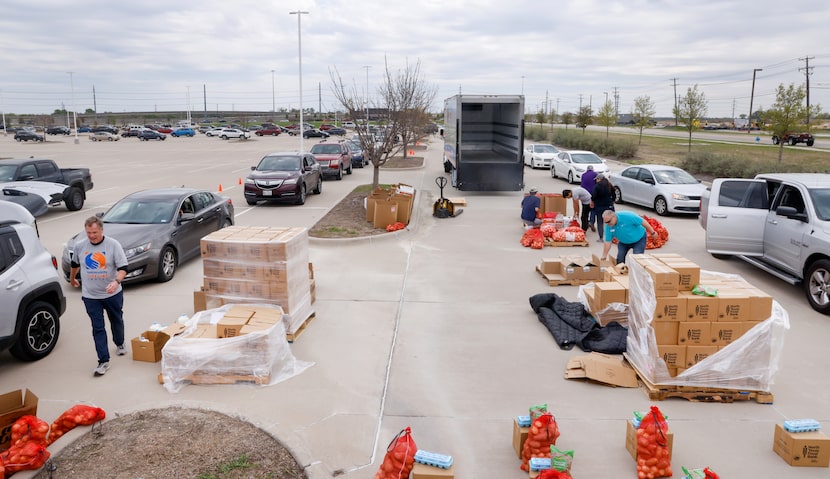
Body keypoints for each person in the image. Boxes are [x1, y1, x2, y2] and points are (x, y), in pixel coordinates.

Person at [69, 216, 129, 376]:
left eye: (94, 232)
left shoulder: (113, 245)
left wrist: (116, 281)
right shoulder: (80, 246)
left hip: (112, 293)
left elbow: (123, 267)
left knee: (116, 319)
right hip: (90, 295)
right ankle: (103, 361)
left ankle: (120, 342)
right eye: (88, 232)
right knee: (97, 327)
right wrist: (72, 278)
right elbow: (74, 264)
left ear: (101, 230)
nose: (92, 236)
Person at [591, 175, 615, 240]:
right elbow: (614, 194)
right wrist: (612, 201)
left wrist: (592, 201)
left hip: (599, 206)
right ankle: (612, 236)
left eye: (596, 179)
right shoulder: (609, 185)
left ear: (599, 179)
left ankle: (601, 237)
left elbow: (593, 196)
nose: (596, 181)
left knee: (600, 222)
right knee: (611, 221)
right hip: (609, 205)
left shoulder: (597, 186)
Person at [580, 165, 598, 231]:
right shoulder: (595, 174)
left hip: (584, 195)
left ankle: (585, 222)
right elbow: (597, 183)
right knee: (593, 209)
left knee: (585, 210)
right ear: (592, 169)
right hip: (593, 194)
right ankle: (591, 221)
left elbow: (582, 184)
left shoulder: (583, 175)